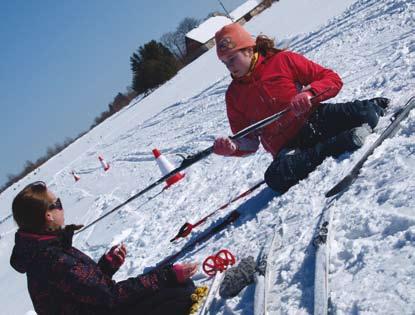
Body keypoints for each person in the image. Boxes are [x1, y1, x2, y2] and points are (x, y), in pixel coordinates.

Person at [213, 23, 389, 193]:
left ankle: (368, 110)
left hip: (316, 120)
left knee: (366, 113)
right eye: (224, 63)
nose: (229, 66)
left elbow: (332, 79)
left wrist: (309, 94)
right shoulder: (233, 96)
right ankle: (343, 141)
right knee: (275, 177)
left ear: (249, 49)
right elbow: (249, 142)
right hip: (290, 147)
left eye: (232, 58)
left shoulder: (283, 60)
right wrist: (234, 147)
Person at [10, 181, 198, 315]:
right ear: (48, 216)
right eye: (57, 204)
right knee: (180, 292)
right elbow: (111, 296)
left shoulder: (47, 249)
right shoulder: (52, 258)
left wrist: (106, 267)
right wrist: (168, 275)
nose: (62, 207)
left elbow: (84, 291)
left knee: (173, 287)